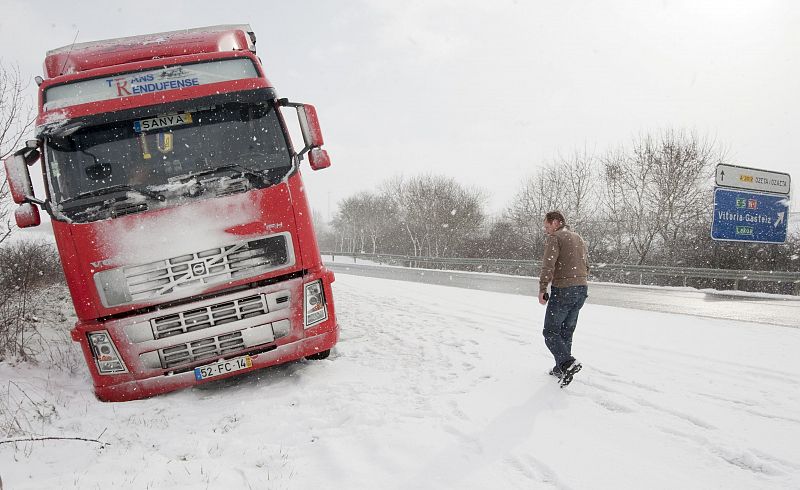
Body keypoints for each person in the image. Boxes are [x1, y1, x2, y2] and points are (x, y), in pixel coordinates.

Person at [538, 211, 589, 386]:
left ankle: (567, 363)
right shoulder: (578, 238)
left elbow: (548, 264)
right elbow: (586, 265)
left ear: (555, 222)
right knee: (566, 331)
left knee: (550, 332)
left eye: (546, 226)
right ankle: (561, 367)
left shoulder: (556, 238)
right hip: (581, 289)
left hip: (564, 290)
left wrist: (543, 288)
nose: (546, 231)